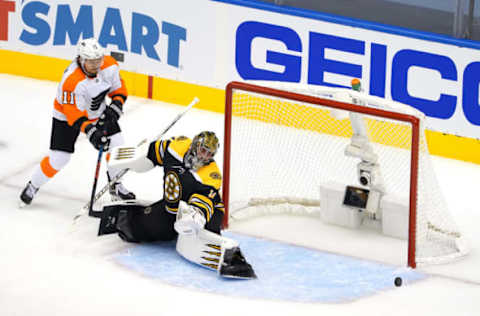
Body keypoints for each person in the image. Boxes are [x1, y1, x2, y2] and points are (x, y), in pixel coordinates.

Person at [96, 131, 256, 279]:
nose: (205, 156)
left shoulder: (211, 175)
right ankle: (133, 221)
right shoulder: (175, 147)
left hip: (207, 211)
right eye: (203, 150)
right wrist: (136, 158)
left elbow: (202, 205)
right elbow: (153, 153)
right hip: (171, 207)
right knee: (137, 228)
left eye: (210, 154)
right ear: (195, 146)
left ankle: (226, 257)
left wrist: (193, 219)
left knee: (200, 231)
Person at [19, 38, 135, 206]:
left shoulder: (109, 65)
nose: (96, 65)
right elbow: (74, 114)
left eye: (98, 60)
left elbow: (118, 89)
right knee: (59, 159)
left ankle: (115, 185)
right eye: (91, 61)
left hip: (97, 111)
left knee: (118, 146)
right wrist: (92, 133)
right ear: (81, 59)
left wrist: (115, 107)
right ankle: (33, 185)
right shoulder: (72, 81)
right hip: (66, 117)